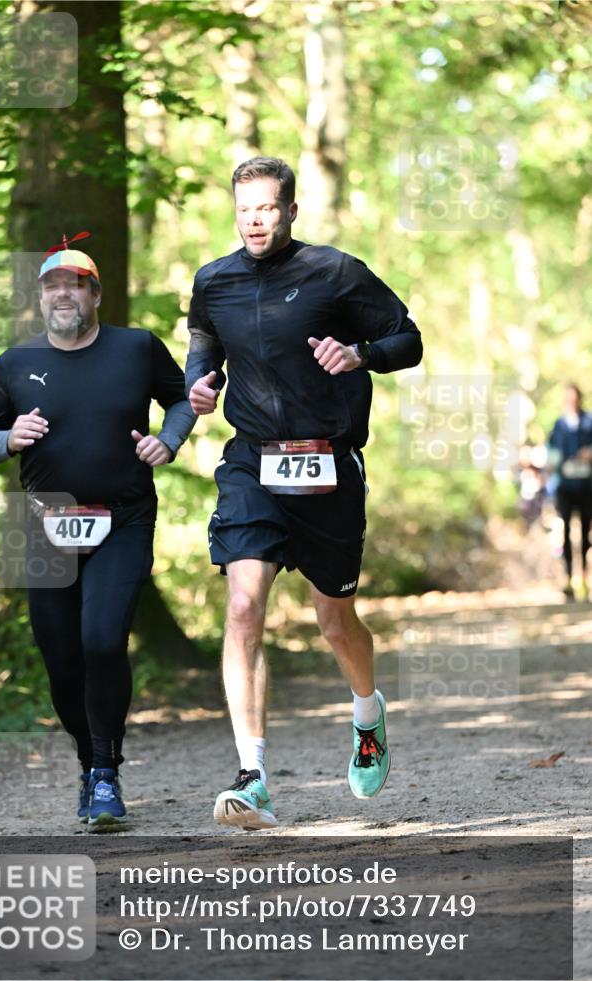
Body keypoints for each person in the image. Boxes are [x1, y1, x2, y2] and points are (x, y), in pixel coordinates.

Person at [186, 156, 423, 829]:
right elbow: (203, 343)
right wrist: (200, 383)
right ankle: (251, 775)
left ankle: (366, 715)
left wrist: (360, 355)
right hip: (251, 465)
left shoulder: (335, 272)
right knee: (241, 608)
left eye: (266, 207)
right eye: (243, 209)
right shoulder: (214, 280)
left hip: (327, 466)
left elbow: (407, 339)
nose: (254, 219)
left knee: (333, 623)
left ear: (291, 210)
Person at [0, 235, 196, 827]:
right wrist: (8, 439)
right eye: (51, 286)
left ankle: (104, 772)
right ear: (40, 300)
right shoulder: (16, 364)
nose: (62, 294)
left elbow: (181, 401)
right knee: (62, 657)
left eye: (74, 284)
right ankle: (88, 758)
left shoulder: (136, 348)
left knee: (100, 639)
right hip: (43, 525)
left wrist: (166, 442)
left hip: (122, 518)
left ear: (95, 294)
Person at [547, 383, 592, 599]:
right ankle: (567, 579)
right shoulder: (559, 425)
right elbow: (552, 452)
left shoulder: (589, 422)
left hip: (586, 486)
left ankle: (583, 578)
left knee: (585, 533)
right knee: (564, 530)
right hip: (565, 486)